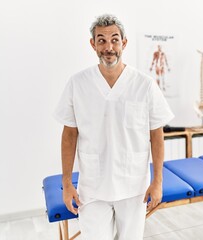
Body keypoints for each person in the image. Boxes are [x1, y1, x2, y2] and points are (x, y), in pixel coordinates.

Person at [54, 14, 174, 240]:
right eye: (101, 40)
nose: (108, 47)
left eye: (115, 40)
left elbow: (156, 135)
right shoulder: (78, 84)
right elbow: (69, 135)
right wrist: (67, 183)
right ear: (93, 44)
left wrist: (157, 182)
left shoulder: (144, 85)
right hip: (92, 188)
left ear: (124, 43)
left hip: (134, 187)